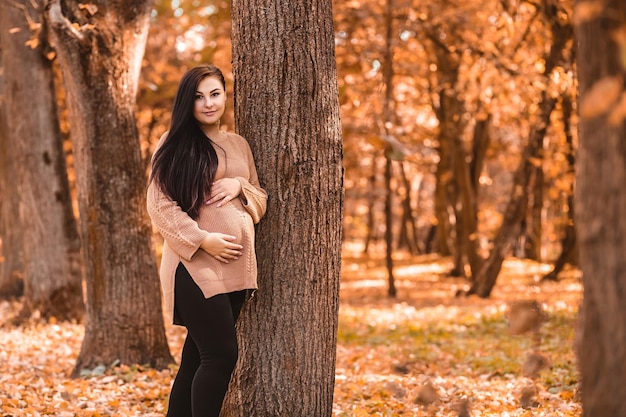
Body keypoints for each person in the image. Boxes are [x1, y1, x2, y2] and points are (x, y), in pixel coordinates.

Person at [146, 64, 267, 417]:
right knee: (222, 355)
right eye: (199, 97)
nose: (209, 103)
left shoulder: (238, 144)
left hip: (236, 268)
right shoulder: (174, 143)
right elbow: (159, 205)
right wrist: (202, 240)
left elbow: (260, 195)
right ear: (189, 102)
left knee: (197, 358)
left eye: (215, 94)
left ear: (225, 96)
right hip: (195, 265)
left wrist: (240, 186)